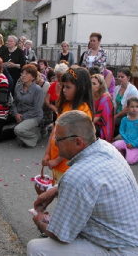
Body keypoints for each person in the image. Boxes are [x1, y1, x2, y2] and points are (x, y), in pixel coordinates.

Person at [27, 110, 138, 255]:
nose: (54, 143)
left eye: (58, 139)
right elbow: (90, 183)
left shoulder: (77, 177)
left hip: (120, 249)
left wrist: (40, 221)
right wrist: (54, 190)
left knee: (36, 248)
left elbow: (60, 236)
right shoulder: (106, 147)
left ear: (77, 142)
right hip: (130, 237)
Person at [42, 67, 94, 183]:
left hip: (69, 166)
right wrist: (47, 153)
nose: (64, 90)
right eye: (63, 86)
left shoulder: (83, 112)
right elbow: (55, 131)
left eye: (68, 87)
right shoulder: (65, 105)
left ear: (81, 89)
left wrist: (57, 161)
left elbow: (75, 145)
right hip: (56, 161)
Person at [3, 64, 44, 147]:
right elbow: (14, 103)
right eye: (22, 73)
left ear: (33, 77)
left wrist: (22, 117)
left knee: (18, 130)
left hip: (34, 116)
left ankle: (36, 137)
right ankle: (33, 132)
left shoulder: (37, 90)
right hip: (20, 114)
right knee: (20, 140)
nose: (23, 75)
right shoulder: (18, 86)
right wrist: (15, 114)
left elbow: (36, 109)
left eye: (26, 74)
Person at [112, 97, 138, 164]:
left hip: (136, 144)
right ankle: (124, 152)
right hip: (126, 142)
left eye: (137, 106)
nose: (134, 109)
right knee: (114, 145)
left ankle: (133, 153)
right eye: (132, 106)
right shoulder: (124, 119)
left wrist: (133, 144)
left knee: (129, 161)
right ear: (128, 108)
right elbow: (122, 131)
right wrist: (127, 141)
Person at [113, 68, 138, 137]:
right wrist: (112, 115)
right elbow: (114, 104)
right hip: (117, 114)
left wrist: (115, 117)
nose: (120, 78)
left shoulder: (132, 90)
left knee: (113, 122)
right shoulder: (117, 88)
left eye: (122, 77)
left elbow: (127, 108)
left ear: (128, 78)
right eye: (118, 77)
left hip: (127, 115)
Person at [91, 74, 114, 142]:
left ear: (100, 86)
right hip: (93, 123)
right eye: (90, 83)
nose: (91, 86)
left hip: (103, 129)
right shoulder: (91, 97)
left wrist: (82, 124)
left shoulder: (105, 98)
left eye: (94, 84)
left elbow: (97, 118)